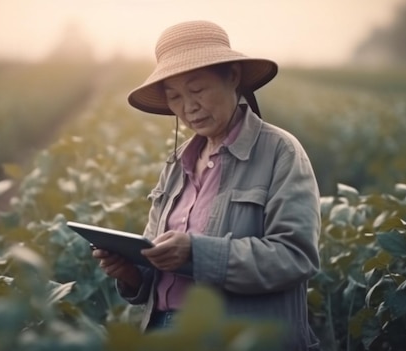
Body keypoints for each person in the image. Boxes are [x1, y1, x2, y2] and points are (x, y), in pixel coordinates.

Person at [92, 20, 321, 350]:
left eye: (197, 90)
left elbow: (295, 256)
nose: (188, 107)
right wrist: (130, 272)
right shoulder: (177, 164)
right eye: (175, 97)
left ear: (233, 77)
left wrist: (197, 252)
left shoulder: (279, 152)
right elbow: (159, 268)